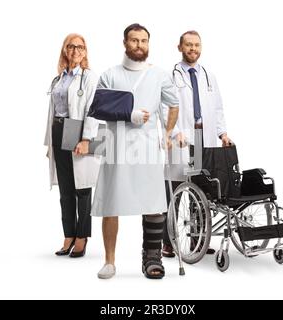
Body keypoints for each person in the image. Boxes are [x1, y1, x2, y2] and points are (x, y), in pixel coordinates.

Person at [91, 23, 179, 279]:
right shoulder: (110, 74)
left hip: (148, 149)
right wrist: (129, 114)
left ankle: (152, 258)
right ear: (125, 43)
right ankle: (109, 261)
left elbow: (173, 105)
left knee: (152, 203)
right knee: (111, 203)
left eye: (144, 41)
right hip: (116, 148)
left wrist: (167, 133)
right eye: (134, 40)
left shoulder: (160, 75)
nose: (140, 45)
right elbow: (98, 109)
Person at [162, 30, 232, 258]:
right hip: (182, 140)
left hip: (206, 138)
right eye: (189, 45)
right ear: (180, 47)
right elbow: (165, 106)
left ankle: (197, 241)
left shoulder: (209, 75)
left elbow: (218, 108)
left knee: (202, 190)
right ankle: (168, 241)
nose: (193, 49)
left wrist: (222, 134)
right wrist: (175, 131)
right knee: (175, 191)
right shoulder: (171, 76)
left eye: (197, 45)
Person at [44, 33, 100, 258]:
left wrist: (86, 139)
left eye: (80, 47)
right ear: (65, 51)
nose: (76, 51)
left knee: (82, 187)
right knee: (66, 188)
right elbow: (52, 112)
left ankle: (82, 236)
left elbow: (92, 109)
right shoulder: (58, 79)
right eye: (71, 47)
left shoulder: (88, 77)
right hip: (59, 130)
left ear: (85, 52)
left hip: (77, 130)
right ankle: (68, 234)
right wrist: (50, 142)